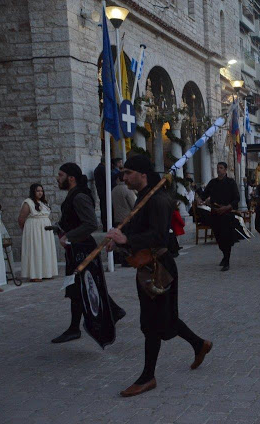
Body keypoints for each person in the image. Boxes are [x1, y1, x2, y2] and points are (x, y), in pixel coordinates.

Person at [106, 155, 212, 398]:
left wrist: (127, 240)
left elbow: (158, 237)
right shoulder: (143, 198)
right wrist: (119, 241)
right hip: (146, 267)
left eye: (129, 172)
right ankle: (199, 344)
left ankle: (148, 377)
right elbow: (136, 230)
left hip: (160, 269)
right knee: (164, 321)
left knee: (153, 324)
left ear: (143, 175)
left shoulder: (159, 200)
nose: (124, 177)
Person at [51, 163, 125, 344]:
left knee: (80, 287)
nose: (57, 178)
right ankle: (114, 311)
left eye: (60, 175)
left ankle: (75, 328)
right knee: (80, 286)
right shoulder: (73, 195)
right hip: (76, 248)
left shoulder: (80, 196)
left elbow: (91, 223)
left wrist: (69, 235)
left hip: (82, 249)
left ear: (71, 178)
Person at [199, 162, 240, 271]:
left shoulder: (231, 183)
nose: (219, 170)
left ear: (225, 170)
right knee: (219, 238)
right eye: (218, 168)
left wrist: (227, 207)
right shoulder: (213, 182)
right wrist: (200, 198)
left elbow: (236, 199)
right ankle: (224, 254)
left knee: (226, 237)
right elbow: (204, 195)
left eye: (221, 168)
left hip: (226, 214)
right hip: (215, 214)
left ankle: (227, 260)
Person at [17, 183, 58, 282]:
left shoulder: (44, 202)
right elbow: (21, 219)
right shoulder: (28, 202)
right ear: (33, 191)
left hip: (45, 229)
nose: (40, 193)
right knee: (36, 249)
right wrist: (26, 230)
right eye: (38, 191)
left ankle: (47, 272)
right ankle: (35, 274)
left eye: (41, 191)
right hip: (34, 229)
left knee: (46, 249)